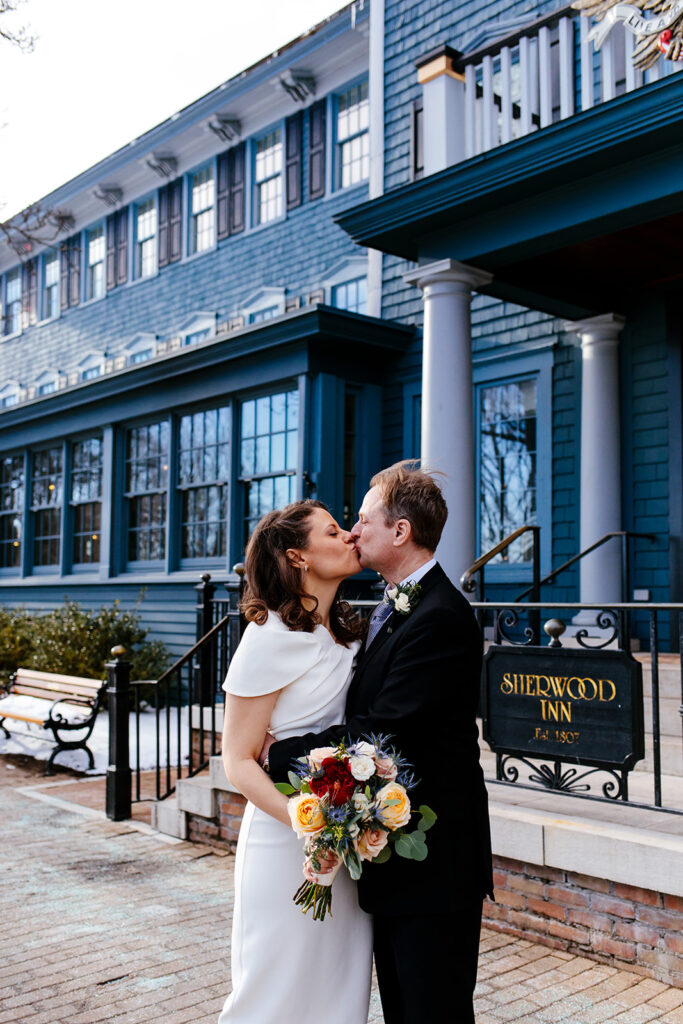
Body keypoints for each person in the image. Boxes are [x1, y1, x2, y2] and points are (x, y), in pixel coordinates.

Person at [262, 461, 494, 1024]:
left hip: (435, 868)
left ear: (400, 531)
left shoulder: (440, 616)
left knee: (430, 1011)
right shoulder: (396, 605)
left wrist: (281, 751)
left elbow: (383, 731)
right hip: (398, 864)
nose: (354, 531)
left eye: (364, 520)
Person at [217, 499, 373, 1024]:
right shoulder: (267, 639)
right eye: (333, 531)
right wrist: (307, 826)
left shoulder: (352, 634)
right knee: (275, 988)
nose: (350, 535)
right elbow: (237, 761)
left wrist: (340, 830)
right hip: (287, 839)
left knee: (339, 986)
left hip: (345, 840)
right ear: (297, 557)